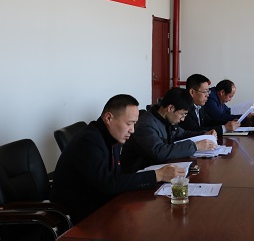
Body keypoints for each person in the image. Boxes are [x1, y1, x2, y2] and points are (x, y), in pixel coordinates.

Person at [50, 94, 186, 224]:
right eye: (129, 123)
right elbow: (107, 184)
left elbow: (117, 177)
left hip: (103, 204)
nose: (132, 130)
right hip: (80, 214)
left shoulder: (111, 136)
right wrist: (157, 175)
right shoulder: (89, 141)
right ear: (109, 118)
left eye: (134, 124)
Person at [120, 87, 218, 173]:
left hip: (160, 169)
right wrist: (195, 146)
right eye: (182, 114)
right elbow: (159, 152)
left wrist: (204, 134)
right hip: (139, 174)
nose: (183, 119)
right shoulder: (146, 124)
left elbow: (182, 134)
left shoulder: (165, 119)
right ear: (170, 108)